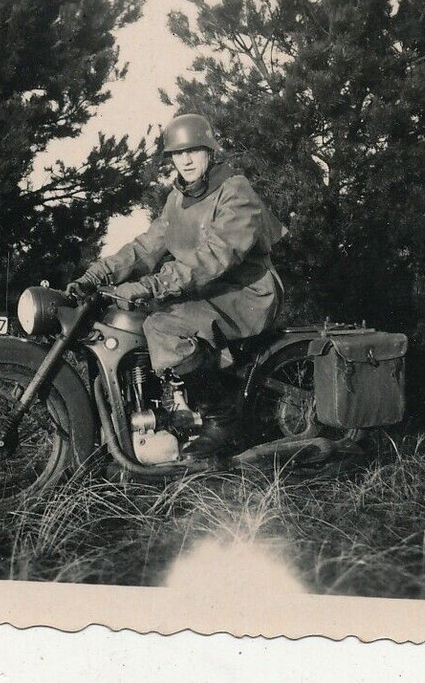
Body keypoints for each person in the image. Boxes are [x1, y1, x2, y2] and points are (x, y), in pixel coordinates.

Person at [67, 113, 287, 458]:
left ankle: (220, 418)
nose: (184, 160)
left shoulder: (234, 191)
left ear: (210, 152)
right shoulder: (178, 198)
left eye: (193, 151)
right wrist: (97, 275)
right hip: (205, 290)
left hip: (244, 293)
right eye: (176, 153)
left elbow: (215, 258)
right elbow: (146, 247)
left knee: (163, 325)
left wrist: (150, 287)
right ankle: (170, 407)